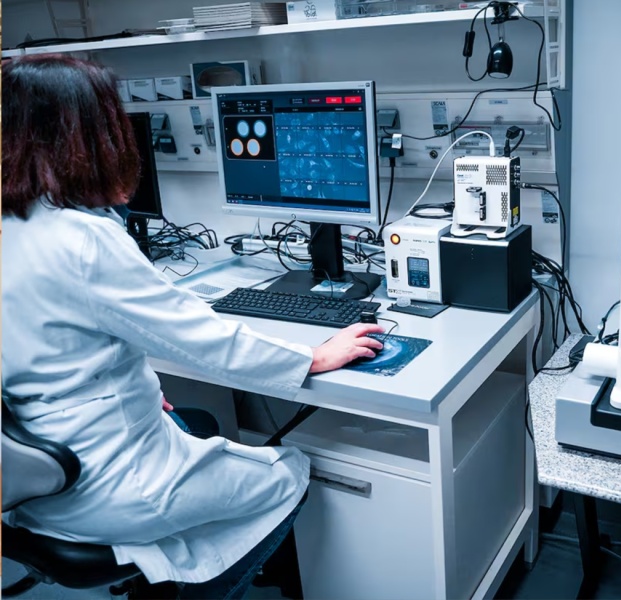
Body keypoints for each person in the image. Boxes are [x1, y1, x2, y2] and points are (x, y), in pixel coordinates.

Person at [1, 54, 384, 599]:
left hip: (38, 479)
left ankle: (171, 568)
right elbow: (206, 341)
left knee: (197, 418)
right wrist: (313, 357)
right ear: (89, 135)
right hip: (109, 484)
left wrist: (118, 390)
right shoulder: (82, 240)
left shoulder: (15, 226)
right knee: (289, 473)